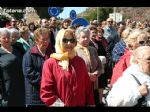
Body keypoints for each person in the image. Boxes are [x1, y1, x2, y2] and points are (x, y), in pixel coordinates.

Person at [40, 29, 95, 106]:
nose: (69, 43)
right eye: (65, 40)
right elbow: (46, 92)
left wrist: (91, 104)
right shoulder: (50, 63)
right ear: (59, 41)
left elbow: (88, 87)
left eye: (72, 40)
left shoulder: (79, 61)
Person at [22, 28, 54, 107]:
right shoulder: (29, 54)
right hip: (35, 96)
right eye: (43, 39)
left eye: (47, 39)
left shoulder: (51, 52)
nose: (46, 42)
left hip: (49, 94)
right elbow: (28, 73)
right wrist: (46, 81)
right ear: (36, 40)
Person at [75, 26, 102, 106]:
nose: (86, 39)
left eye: (87, 37)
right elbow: (74, 69)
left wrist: (96, 73)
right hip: (82, 87)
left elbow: (100, 66)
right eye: (83, 37)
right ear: (77, 38)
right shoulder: (74, 51)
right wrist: (87, 75)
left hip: (94, 85)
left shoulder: (93, 49)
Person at [0, 28, 25, 106]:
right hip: (7, 90)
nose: (7, 39)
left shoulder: (18, 48)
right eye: (4, 38)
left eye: (8, 37)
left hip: (21, 87)